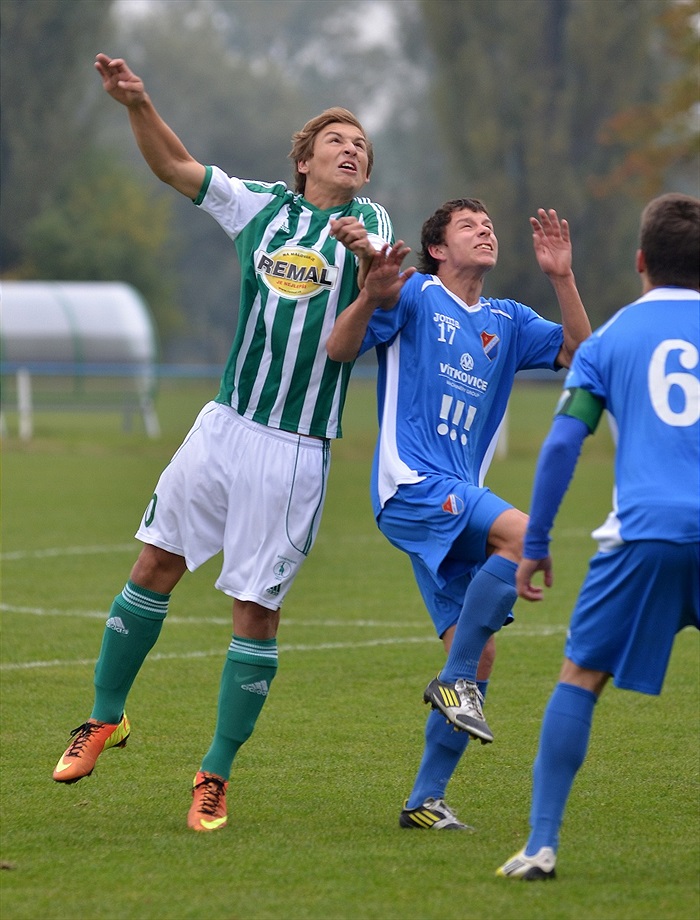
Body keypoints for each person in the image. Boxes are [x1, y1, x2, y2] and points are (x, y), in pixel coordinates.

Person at [52, 53, 394, 833]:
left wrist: (368, 257)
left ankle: (215, 772)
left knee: (254, 610)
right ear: (304, 159)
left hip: (296, 444)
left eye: (362, 145)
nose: (352, 150)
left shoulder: (369, 222)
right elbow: (175, 166)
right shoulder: (261, 209)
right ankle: (105, 718)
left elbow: (382, 274)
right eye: (337, 140)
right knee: (154, 563)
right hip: (224, 425)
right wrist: (137, 102)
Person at [326, 198, 591, 830]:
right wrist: (369, 275)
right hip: (412, 484)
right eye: (468, 225)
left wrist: (562, 277)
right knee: (527, 536)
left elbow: (581, 355)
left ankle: (424, 802)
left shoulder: (508, 319)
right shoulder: (414, 294)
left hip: (453, 500)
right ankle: (454, 686)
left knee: (478, 657)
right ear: (438, 249)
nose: (486, 230)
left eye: (488, 224)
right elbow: (342, 345)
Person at [496, 192, 699, 879]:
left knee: (580, 676)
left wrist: (539, 542)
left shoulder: (610, 341)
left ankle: (542, 844)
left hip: (642, 535)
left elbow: (560, 446)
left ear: (641, 261)